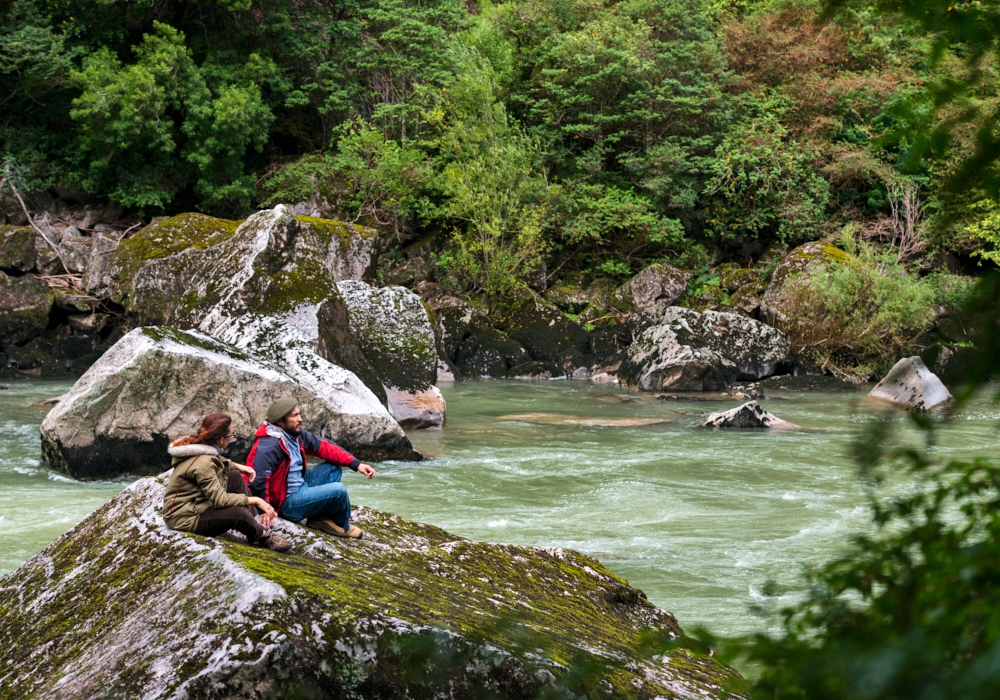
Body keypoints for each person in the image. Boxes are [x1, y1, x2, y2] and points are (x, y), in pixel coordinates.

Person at [247, 396, 376, 539]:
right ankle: (343, 526)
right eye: (295, 415)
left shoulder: (293, 433)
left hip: (299, 484)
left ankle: (319, 519)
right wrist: (264, 510)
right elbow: (257, 478)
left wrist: (356, 464)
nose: (300, 419)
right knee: (339, 491)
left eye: (299, 414)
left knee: (334, 468)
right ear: (279, 421)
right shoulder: (269, 446)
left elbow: (323, 447)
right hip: (286, 502)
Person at [162, 412, 292, 552]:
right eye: (232, 435)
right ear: (221, 440)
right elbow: (220, 500)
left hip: (195, 503)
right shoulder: (203, 463)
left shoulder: (198, 445)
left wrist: (237, 466)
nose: (232, 437)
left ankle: (253, 523)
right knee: (238, 514)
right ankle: (261, 536)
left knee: (235, 476)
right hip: (185, 517)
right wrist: (256, 500)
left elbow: (215, 460)